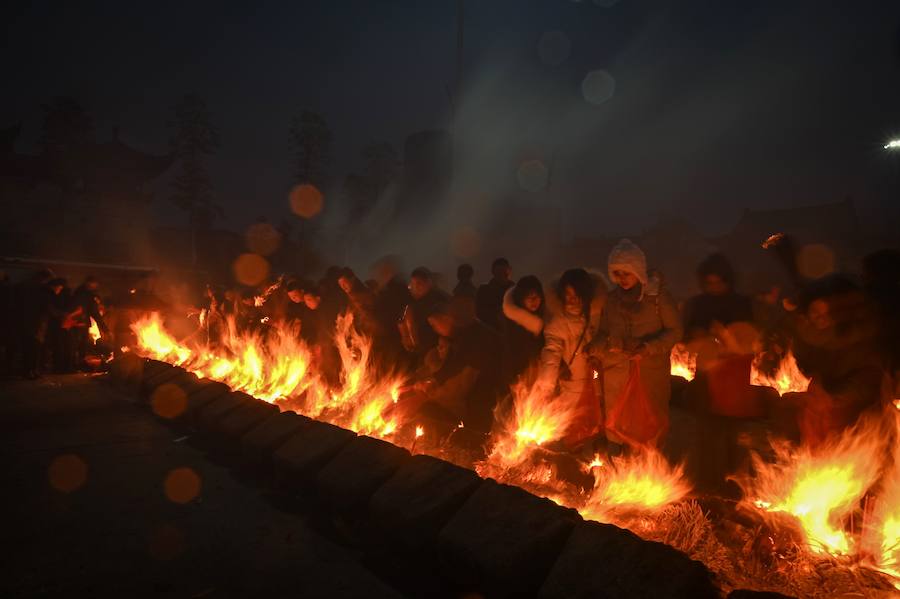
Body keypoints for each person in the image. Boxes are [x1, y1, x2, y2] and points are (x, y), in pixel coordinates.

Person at [591, 239, 682, 453]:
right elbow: (603, 332)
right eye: (617, 274)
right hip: (617, 373)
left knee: (648, 430)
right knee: (617, 428)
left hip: (650, 374)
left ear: (638, 271)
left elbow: (675, 331)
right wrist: (595, 349)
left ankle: (649, 476)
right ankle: (618, 479)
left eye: (627, 273)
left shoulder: (657, 298)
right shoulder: (611, 300)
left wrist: (648, 348)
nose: (622, 279)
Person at [791, 274, 884, 447]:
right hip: (819, 423)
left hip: (859, 427)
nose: (820, 318)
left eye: (826, 312)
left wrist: (835, 398)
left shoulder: (865, 338)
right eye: (815, 313)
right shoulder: (806, 337)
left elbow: (871, 377)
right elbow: (802, 369)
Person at [537, 268, 606, 454]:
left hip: (600, 386)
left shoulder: (599, 317)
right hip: (572, 388)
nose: (572, 299)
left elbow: (609, 342)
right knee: (573, 432)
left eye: (576, 294)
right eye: (567, 294)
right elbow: (551, 354)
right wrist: (545, 388)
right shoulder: (558, 323)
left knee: (598, 431)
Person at [500, 275, 546, 386]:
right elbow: (511, 353)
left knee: (595, 374)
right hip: (519, 379)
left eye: (537, 296)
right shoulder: (513, 323)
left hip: (542, 378)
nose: (534, 301)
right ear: (520, 298)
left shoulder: (545, 320)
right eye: (529, 297)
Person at [401, 267, 449, 365]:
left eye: (419, 283)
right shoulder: (414, 304)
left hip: (437, 353)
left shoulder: (439, 300)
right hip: (421, 353)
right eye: (413, 284)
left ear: (429, 283)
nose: (416, 287)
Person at [336, 267, 377, 336]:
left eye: (344, 282)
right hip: (359, 337)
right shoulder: (349, 297)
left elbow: (370, 317)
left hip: (370, 335)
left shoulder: (365, 294)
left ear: (352, 279)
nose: (343, 287)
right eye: (340, 285)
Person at [476, 258, 513, 330]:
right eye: (499, 272)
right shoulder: (484, 290)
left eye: (504, 273)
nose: (502, 275)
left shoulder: (515, 290)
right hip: (490, 331)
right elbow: (479, 312)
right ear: (493, 272)